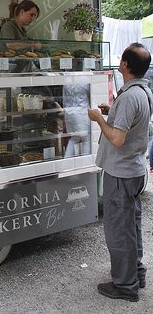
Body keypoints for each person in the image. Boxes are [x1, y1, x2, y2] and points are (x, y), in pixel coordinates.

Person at [88, 43, 153, 303]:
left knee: (118, 229)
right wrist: (111, 112)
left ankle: (125, 285)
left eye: (122, 58)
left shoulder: (128, 97)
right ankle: (137, 272)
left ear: (125, 65)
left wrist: (99, 119)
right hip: (135, 169)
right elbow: (133, 125)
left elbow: (116, 138)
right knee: (131, 225)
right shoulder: (143, 92)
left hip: (121, 172)